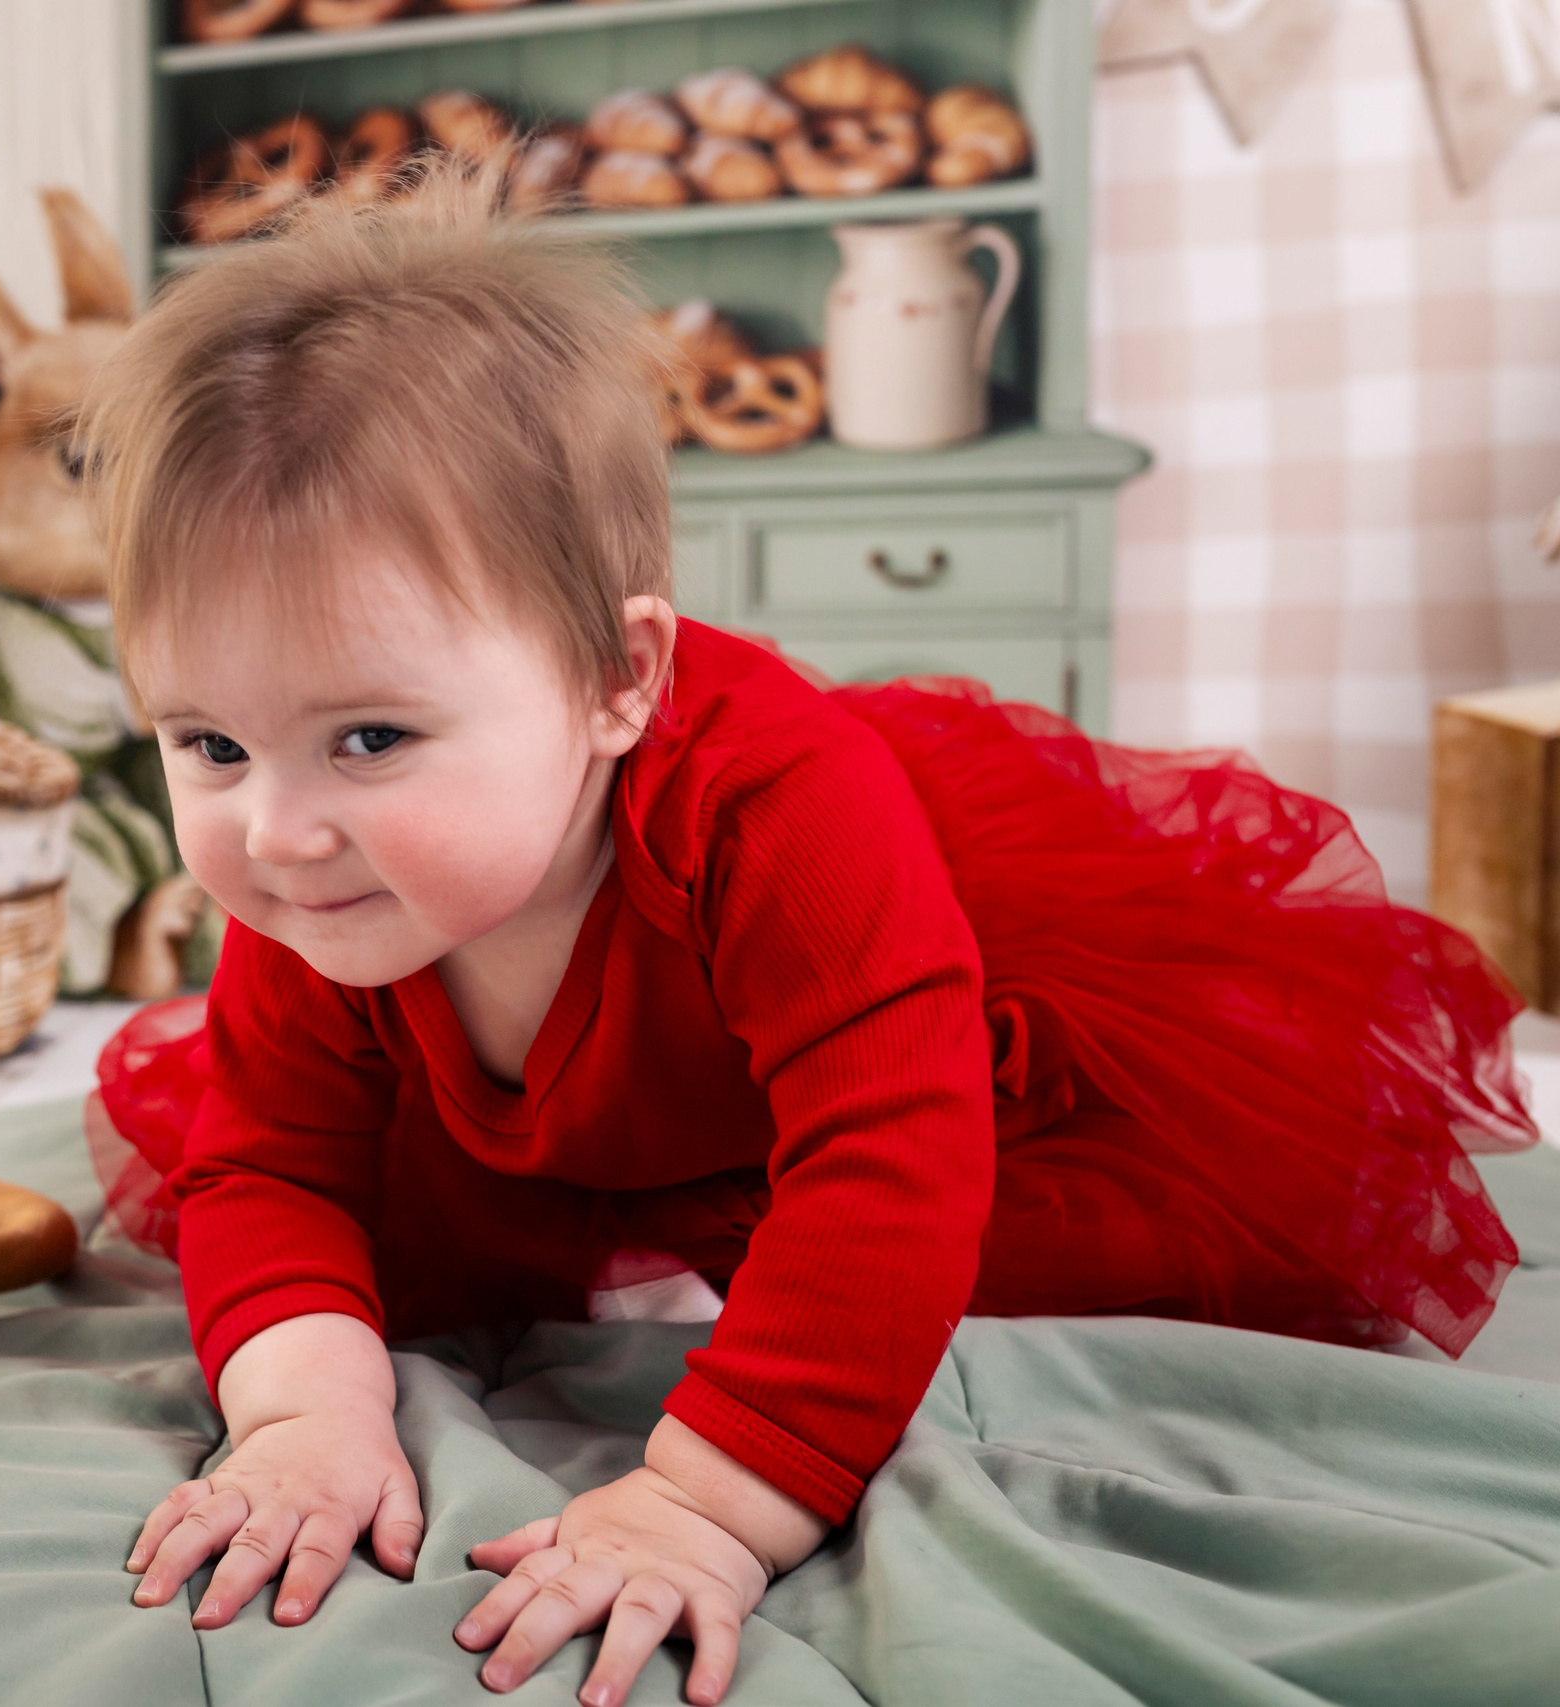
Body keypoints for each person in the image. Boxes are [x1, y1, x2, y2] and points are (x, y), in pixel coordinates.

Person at [75, 163, 1536, 1707]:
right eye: (209, 744)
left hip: (922, 1024)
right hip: (625, 1095)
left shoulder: (775, 811)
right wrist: (304, 1415)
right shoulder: (326, 885)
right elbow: (274, 1165)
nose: (275, 830)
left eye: (371, 737)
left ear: (618, 680)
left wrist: (709, 1502)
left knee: (1021, 1206)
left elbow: (889, 1149)